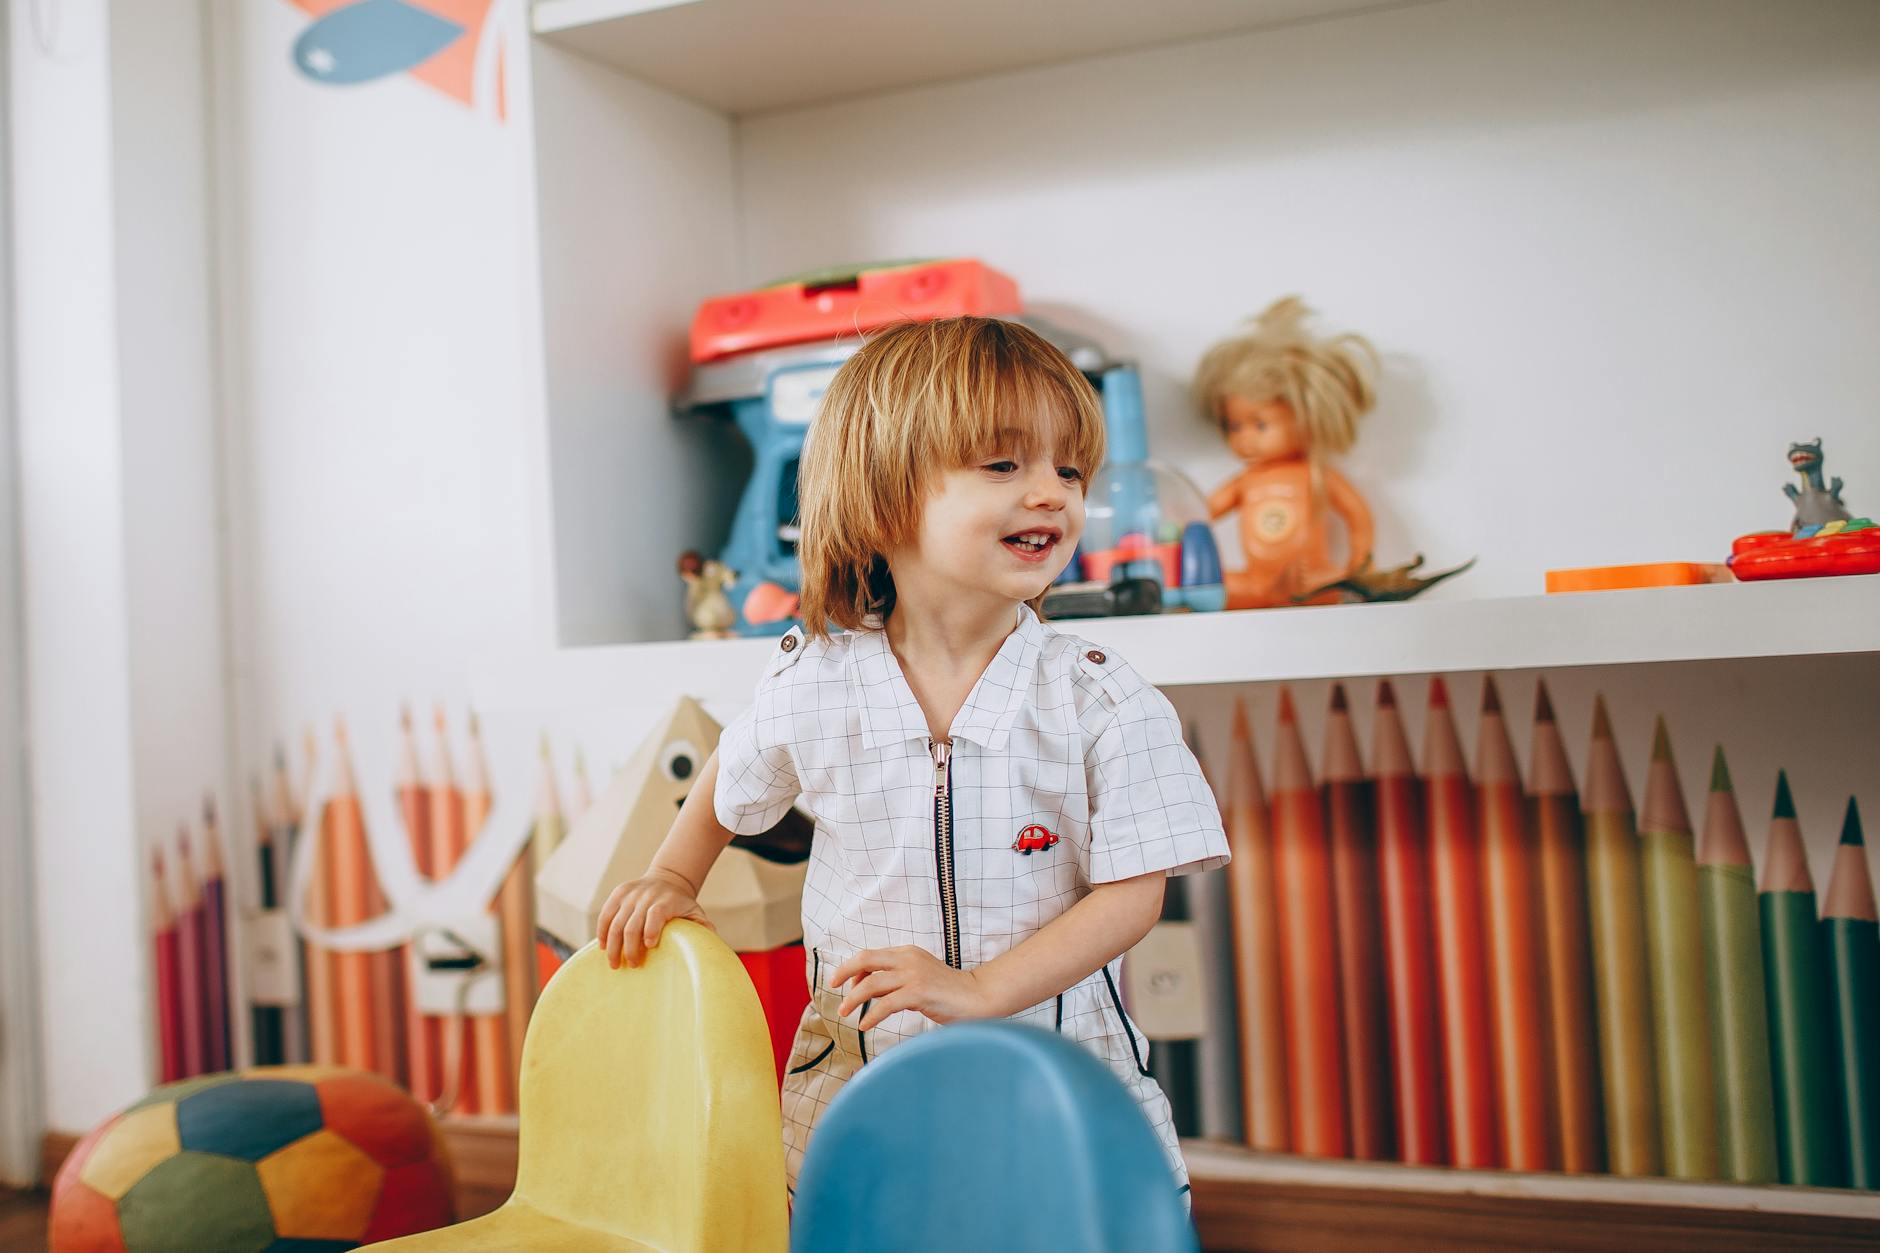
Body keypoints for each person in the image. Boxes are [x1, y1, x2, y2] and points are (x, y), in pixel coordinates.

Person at [597, 316, 1228, 1196]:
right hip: (859, 1071)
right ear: (884, 497)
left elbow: (1135, 891)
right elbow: (732, 773)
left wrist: (978, 988)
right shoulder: (816, 677)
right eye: (1005, 465)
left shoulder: (1094, 694)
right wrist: (672, 876)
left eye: (1070, 469)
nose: (1051, 492)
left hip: (1057, 1068)